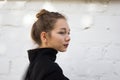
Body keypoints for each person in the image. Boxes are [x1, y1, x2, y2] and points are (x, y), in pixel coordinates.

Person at [24, 9, 70, 80]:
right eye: (62, 32)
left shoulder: (34, 65)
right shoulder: (51, 70)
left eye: (68, 33)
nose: (68, 38)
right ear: (44, 36)